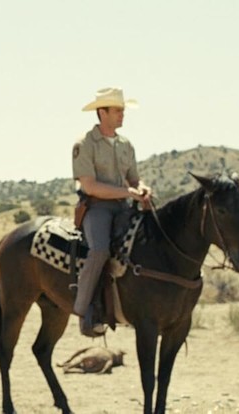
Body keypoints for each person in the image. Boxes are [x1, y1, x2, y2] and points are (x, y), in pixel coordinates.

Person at [71, 87, 151, 337]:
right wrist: (128, 192)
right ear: (102, 112)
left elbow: (134, 178)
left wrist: (143, 189)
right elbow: (90, 186)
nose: (122, 114)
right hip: (97, 207)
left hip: (124, 207)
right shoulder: (85, 144)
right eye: (117, 110)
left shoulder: (126, 145)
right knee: (100, 250)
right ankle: (85, 313)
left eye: (122, 110)